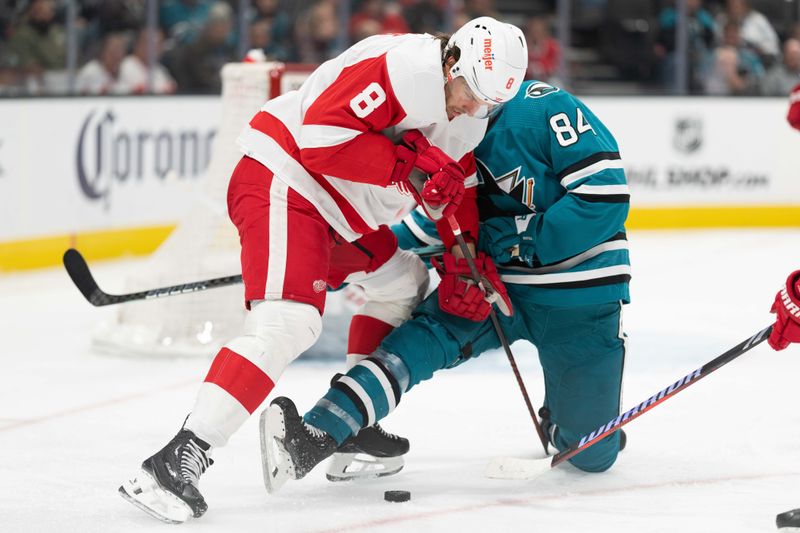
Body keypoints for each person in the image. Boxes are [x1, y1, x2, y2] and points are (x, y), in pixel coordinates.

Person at [118, 16, 528, 523]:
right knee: (289, 321)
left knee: (404, 282)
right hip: (286, 179)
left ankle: (348, 425)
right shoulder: (400, 66)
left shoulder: (470, 109)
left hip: (339, 213)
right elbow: (319, 139)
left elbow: (457, 181)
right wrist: (411, 165)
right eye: (470, 91)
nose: (473, 107)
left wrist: (462, 252)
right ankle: (178, 458)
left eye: (489, 101)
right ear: (451, 62)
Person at [262, 77, 632, 489]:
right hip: (489, 287)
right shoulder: (442, 128)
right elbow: (440, 223)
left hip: (576, 296)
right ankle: (315, 435)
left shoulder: (545, 110)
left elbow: (604, 198)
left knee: (591, 455)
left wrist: (516, 238)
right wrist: (341, 259)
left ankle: (565, 418)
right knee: (415, 343)